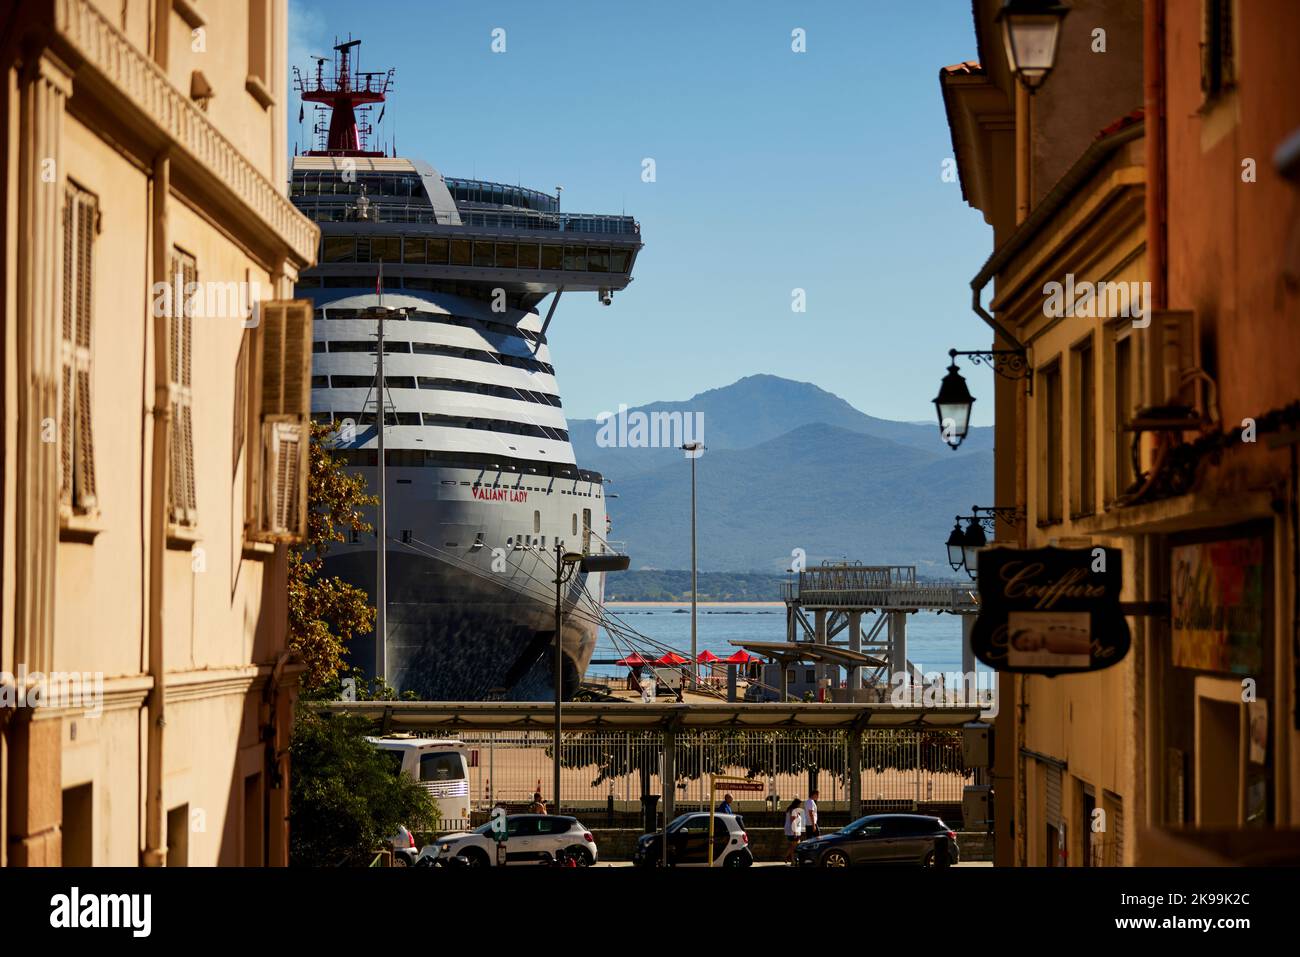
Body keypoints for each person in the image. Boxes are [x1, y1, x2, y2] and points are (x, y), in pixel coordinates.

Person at [783, 797, 805, 864]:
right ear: (797, 804)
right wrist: (795, 832)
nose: (800, 805)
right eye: (800, 804)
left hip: (791, 830)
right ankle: (791, 860)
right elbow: (793, 821)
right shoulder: (793, 810)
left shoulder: (791, 809)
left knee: (794, 845)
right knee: (794, 846)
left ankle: (788, 858)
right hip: (793, 831)